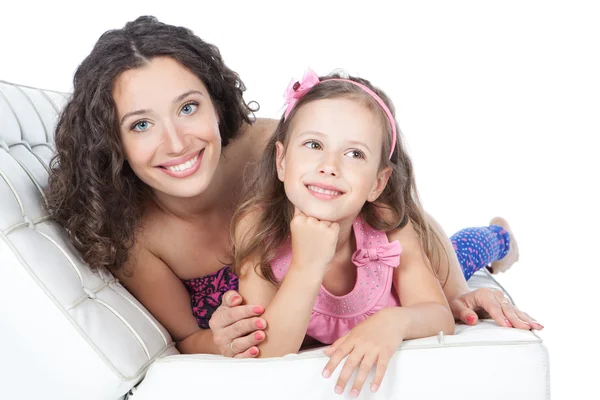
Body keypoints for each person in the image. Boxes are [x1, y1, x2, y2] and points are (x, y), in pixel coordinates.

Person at [44, 15, 542, 361]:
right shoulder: (140, 238)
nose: (176, 142)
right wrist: (220, 340)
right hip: (299, 317)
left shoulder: (272, 145)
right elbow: (185, 340)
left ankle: (500, 238)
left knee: (463, 249)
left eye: (188, 107)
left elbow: (396, 210)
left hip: (371, 280)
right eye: (140, 125)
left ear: (216, 103)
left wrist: (455, 293)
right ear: (113, 142)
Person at [230, 69, 525, 396]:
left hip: (420, 266)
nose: (330, 166)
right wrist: (307, 266)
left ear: (377, 182)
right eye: (314, 144)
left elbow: (439, 315)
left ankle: (502, 238)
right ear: (282, 161)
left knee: (464, 252)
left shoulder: (386, 222)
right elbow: (267, 351)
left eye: (354, 154)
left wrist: (392, 322)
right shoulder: (259, 227)